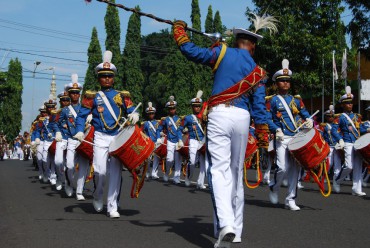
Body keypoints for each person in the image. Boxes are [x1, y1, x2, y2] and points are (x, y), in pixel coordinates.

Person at [172, 14, 272, 247]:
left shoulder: (223, 52)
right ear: (253, 47)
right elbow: (259, 108)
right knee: (236, 174)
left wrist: (179, 31)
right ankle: (236, 231)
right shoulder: (258, 71)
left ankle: (225, 224)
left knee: (219, 171)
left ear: (237, 41)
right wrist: (263, 134)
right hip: (242, 118)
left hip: (219, 114)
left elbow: (192, 52)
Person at [74, 51, 139, 218]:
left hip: (117, 137)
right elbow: (81, 116)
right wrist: (80, 130)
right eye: (104, 76)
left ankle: (112, 206)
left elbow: (131, 110)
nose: (107, 79)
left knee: (116, 173)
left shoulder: (122, 95)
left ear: (114, 77)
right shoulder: (91, 96)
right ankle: (97, 194)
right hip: (100, 137)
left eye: (110, 76)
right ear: (98, 78)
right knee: (100, 171)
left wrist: (134, 115)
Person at [266, 59, 313, 211]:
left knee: (294, 169)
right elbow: (267, 118)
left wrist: (309, 122)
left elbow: (306, 115)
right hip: (281, 137)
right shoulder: (272, 100)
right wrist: (276, 130)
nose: (285, 83)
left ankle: (290, 199)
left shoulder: (296, 100)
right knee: (282, 167)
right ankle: (274, 186)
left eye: (287, 81)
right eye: (282, 81)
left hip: (295, 137)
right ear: (276, 83)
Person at [56, 75, 91, 200]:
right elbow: (58, 123)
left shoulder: (86, 108)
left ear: (79, 94)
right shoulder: (65, 110)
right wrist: (59, 132)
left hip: (84, 140)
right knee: (70, 166)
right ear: (69, 95)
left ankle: (80, 191)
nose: (75, 95)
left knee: (83, 167)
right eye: (73, 93)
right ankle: (69, 184)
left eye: (77, 93)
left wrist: (91, 119)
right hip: (71, 140)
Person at [332, 86, 368, 196]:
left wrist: (367, 129)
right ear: (343, 105)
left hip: (357, 143)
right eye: (347, 103)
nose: (350, 105)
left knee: (358, 166)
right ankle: (337, 180)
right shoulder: (340, 117)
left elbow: (360, 129)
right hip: (347, 142)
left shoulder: (357, 117)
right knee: (349, 166)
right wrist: (340, 139)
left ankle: (357, 189)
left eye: (351, 103)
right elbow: (334, 130)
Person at [179, 90, 207, 189]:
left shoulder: (204, 116)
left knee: (204, 163)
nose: (197, 108)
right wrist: (180, 139)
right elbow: (180, 128)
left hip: (203, 140)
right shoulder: (188, 118)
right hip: (194, 140)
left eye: (199, 106)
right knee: (192, 161)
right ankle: (188, 178)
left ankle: (200, 182)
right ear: (192, 107)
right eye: (195, 106)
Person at [156, 96, 183, 184]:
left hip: (178, 141)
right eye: (170, 109)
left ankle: (176, 177)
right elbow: (158, 129)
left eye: (173, 108)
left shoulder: (179, 119)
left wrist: (180, 140)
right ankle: (167, 173)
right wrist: (158, 138)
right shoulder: (165, 120)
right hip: (170, 141)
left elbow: (181, 130)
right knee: (169, 159)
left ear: (175, 109)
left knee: (178, 160)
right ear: (168, 109)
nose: (172, 110)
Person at [50, 88, 71, 191]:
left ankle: (68, 183)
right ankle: (59, 177)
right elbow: (53, 124)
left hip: (72, 139)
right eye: (63, 100)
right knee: (58, 161)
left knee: (70, 164)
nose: (65, 102)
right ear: (60, 101)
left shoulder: (76, 111)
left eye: (67, 100)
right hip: (61, 138)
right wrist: (57, 132)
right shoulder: (56, 113)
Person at [320, 105, 341, 175]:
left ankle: (336, 180)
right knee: (330, 163)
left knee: (337, 163)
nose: (330, 118)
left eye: (332, 116)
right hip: (329, 146)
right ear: (326, 117)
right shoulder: (324, 126)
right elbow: (322, 137)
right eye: (329, 116)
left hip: (337, 145)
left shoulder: (337, 125)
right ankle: (324, 176)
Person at [142, 102, 160, 179]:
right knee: (148, 159)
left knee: (156, 158)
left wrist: (159, 138)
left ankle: (154, 173)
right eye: (149, 114)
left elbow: (158, 131)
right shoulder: (145, 123)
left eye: (152, 113)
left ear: (154, 114)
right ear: (147, 114)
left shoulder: (157, 123)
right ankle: (147, 172)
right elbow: (143, 132)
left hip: (156, 142)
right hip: (149, 142)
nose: (151, 115)